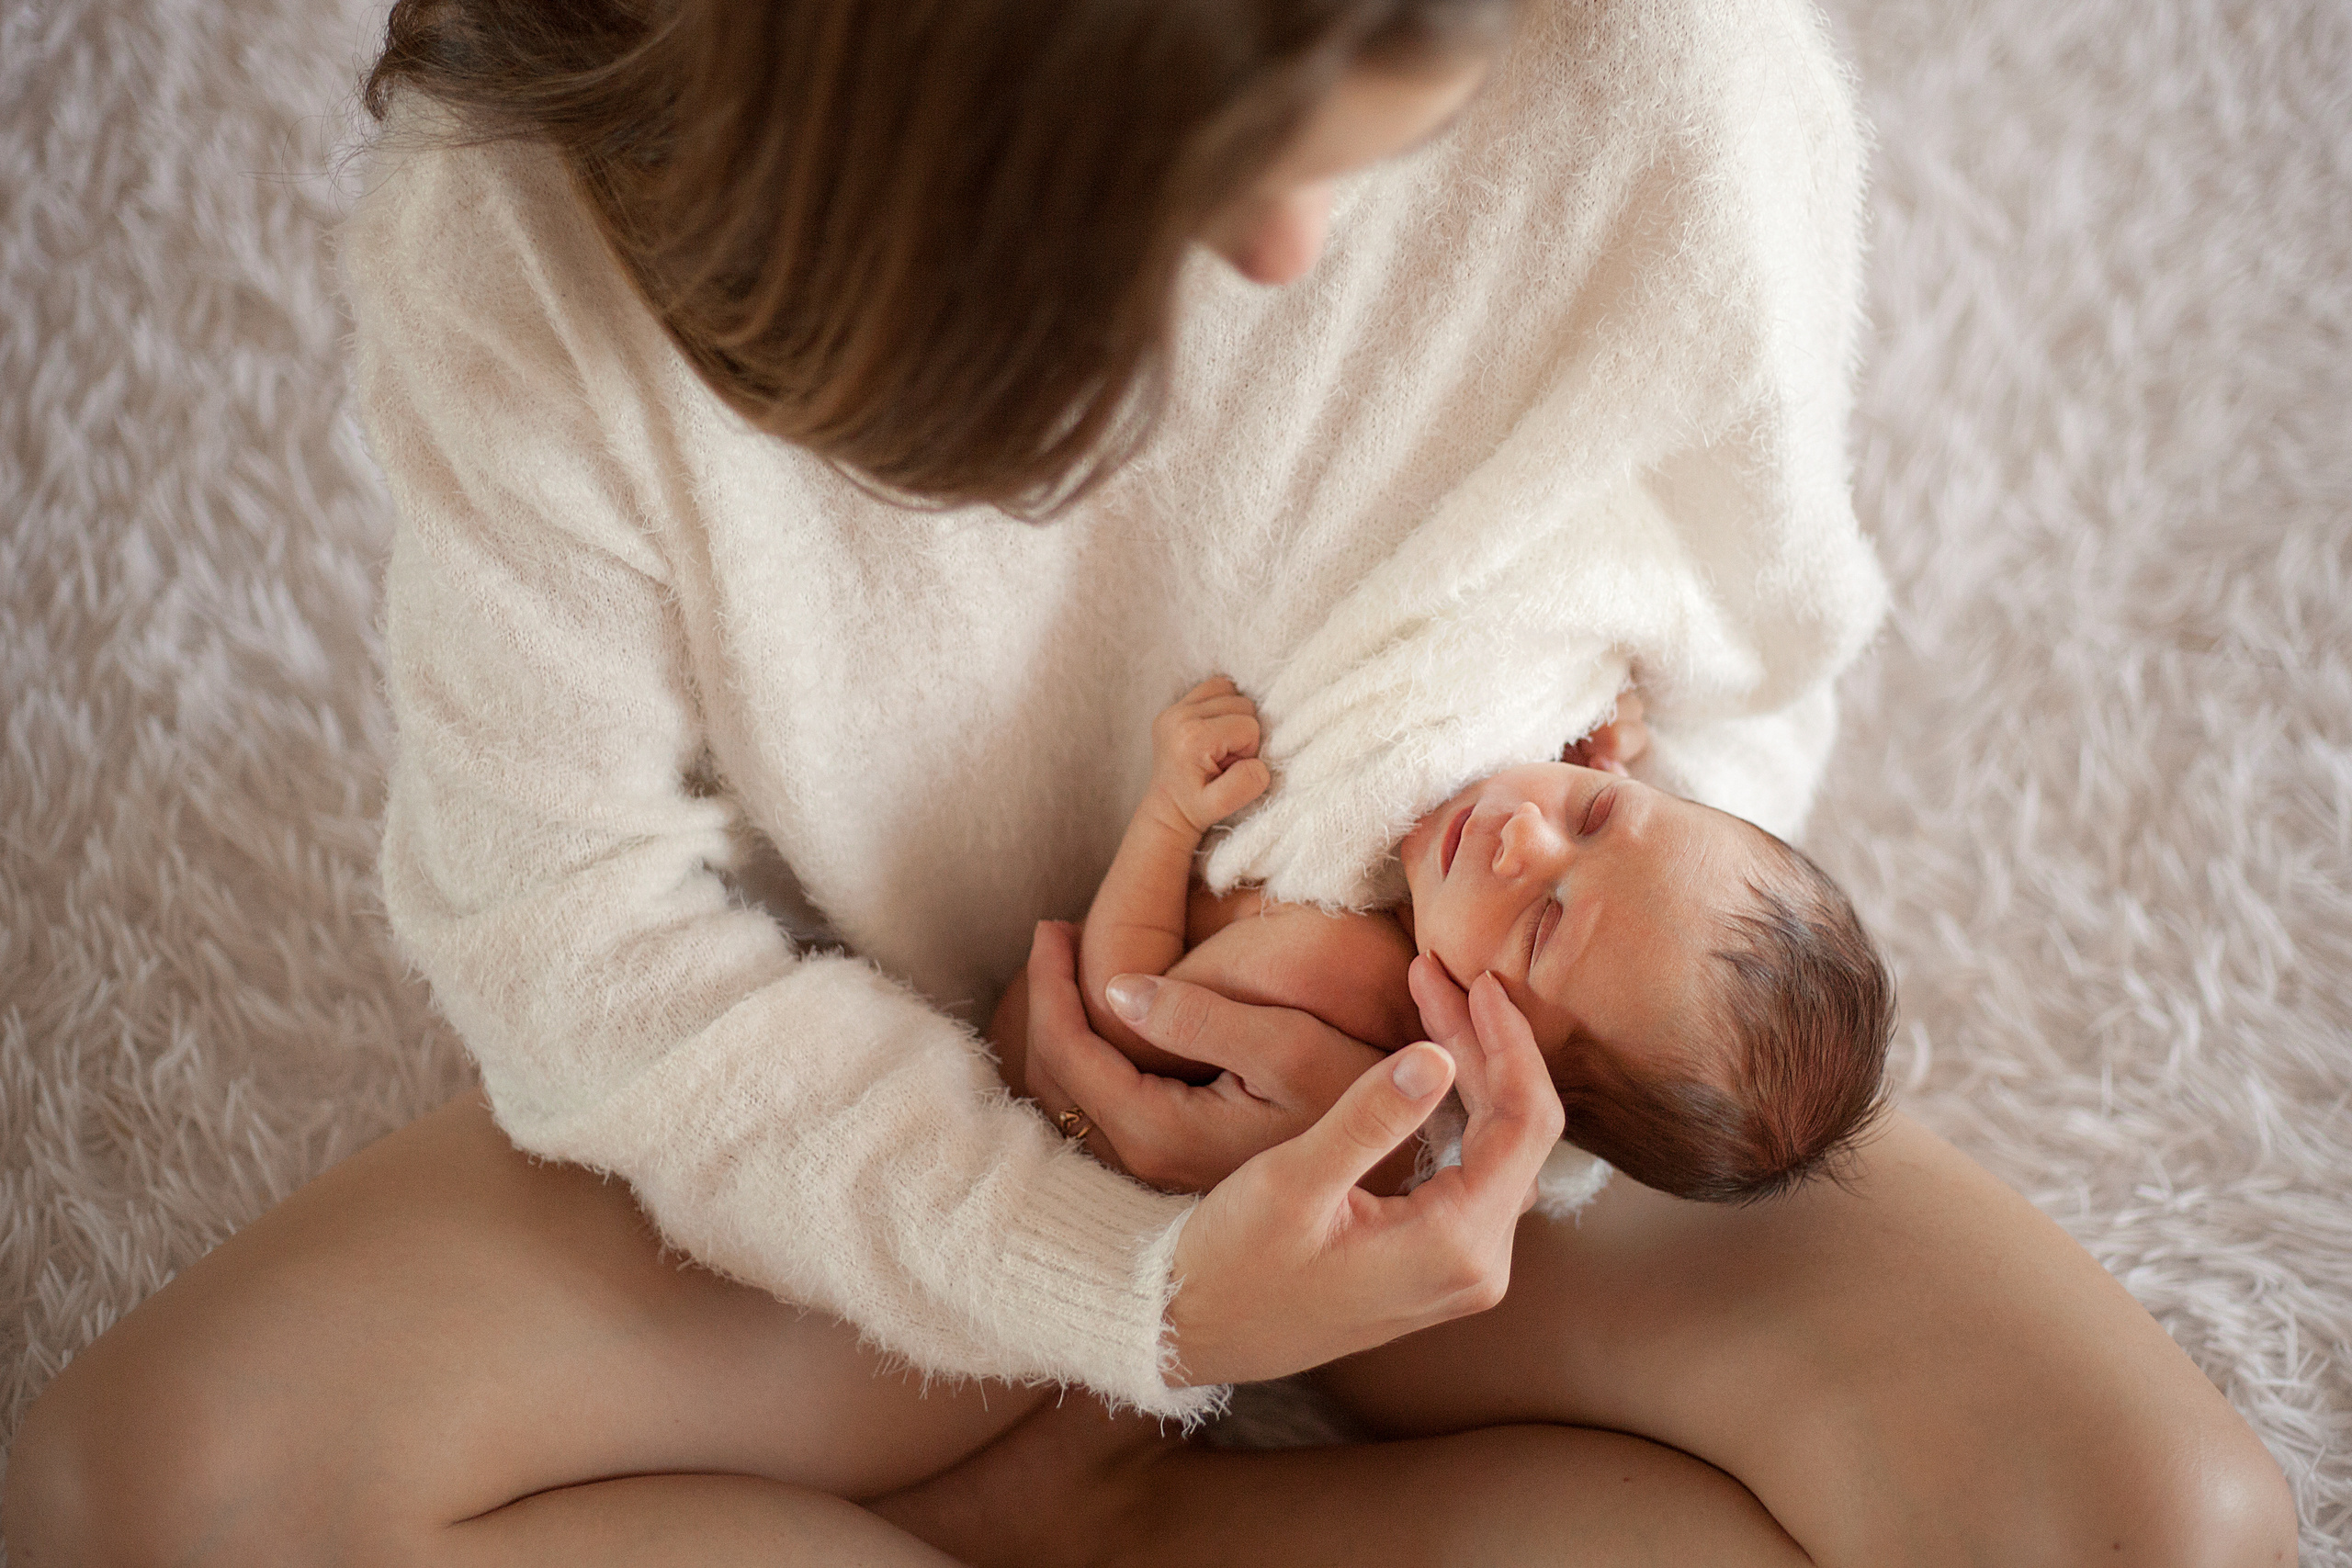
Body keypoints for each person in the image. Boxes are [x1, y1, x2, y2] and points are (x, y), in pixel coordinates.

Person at [2, 2, 2296, 1565]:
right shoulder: (539, 227)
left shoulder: (1644, 60)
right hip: (881, 1095)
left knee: (2145, 1521)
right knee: (136, 1490)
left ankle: (1153, 1522)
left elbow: (1738, 649)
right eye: (1225, 138)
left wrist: (1467, 1048)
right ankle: (1062, 1460)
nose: (1295, 249)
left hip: (1452, 1141)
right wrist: (1136, 1283)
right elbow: (576, 934)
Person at [996, 676, 1892, 1206]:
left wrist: (1166, 816)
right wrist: (1592, 726)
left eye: (1542, 924)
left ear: (1510, 1060)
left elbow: (1120, 1012)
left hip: (1010, 1096)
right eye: (1596, 813)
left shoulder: (1335, 977)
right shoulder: (1547, 813)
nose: (1523, 835)